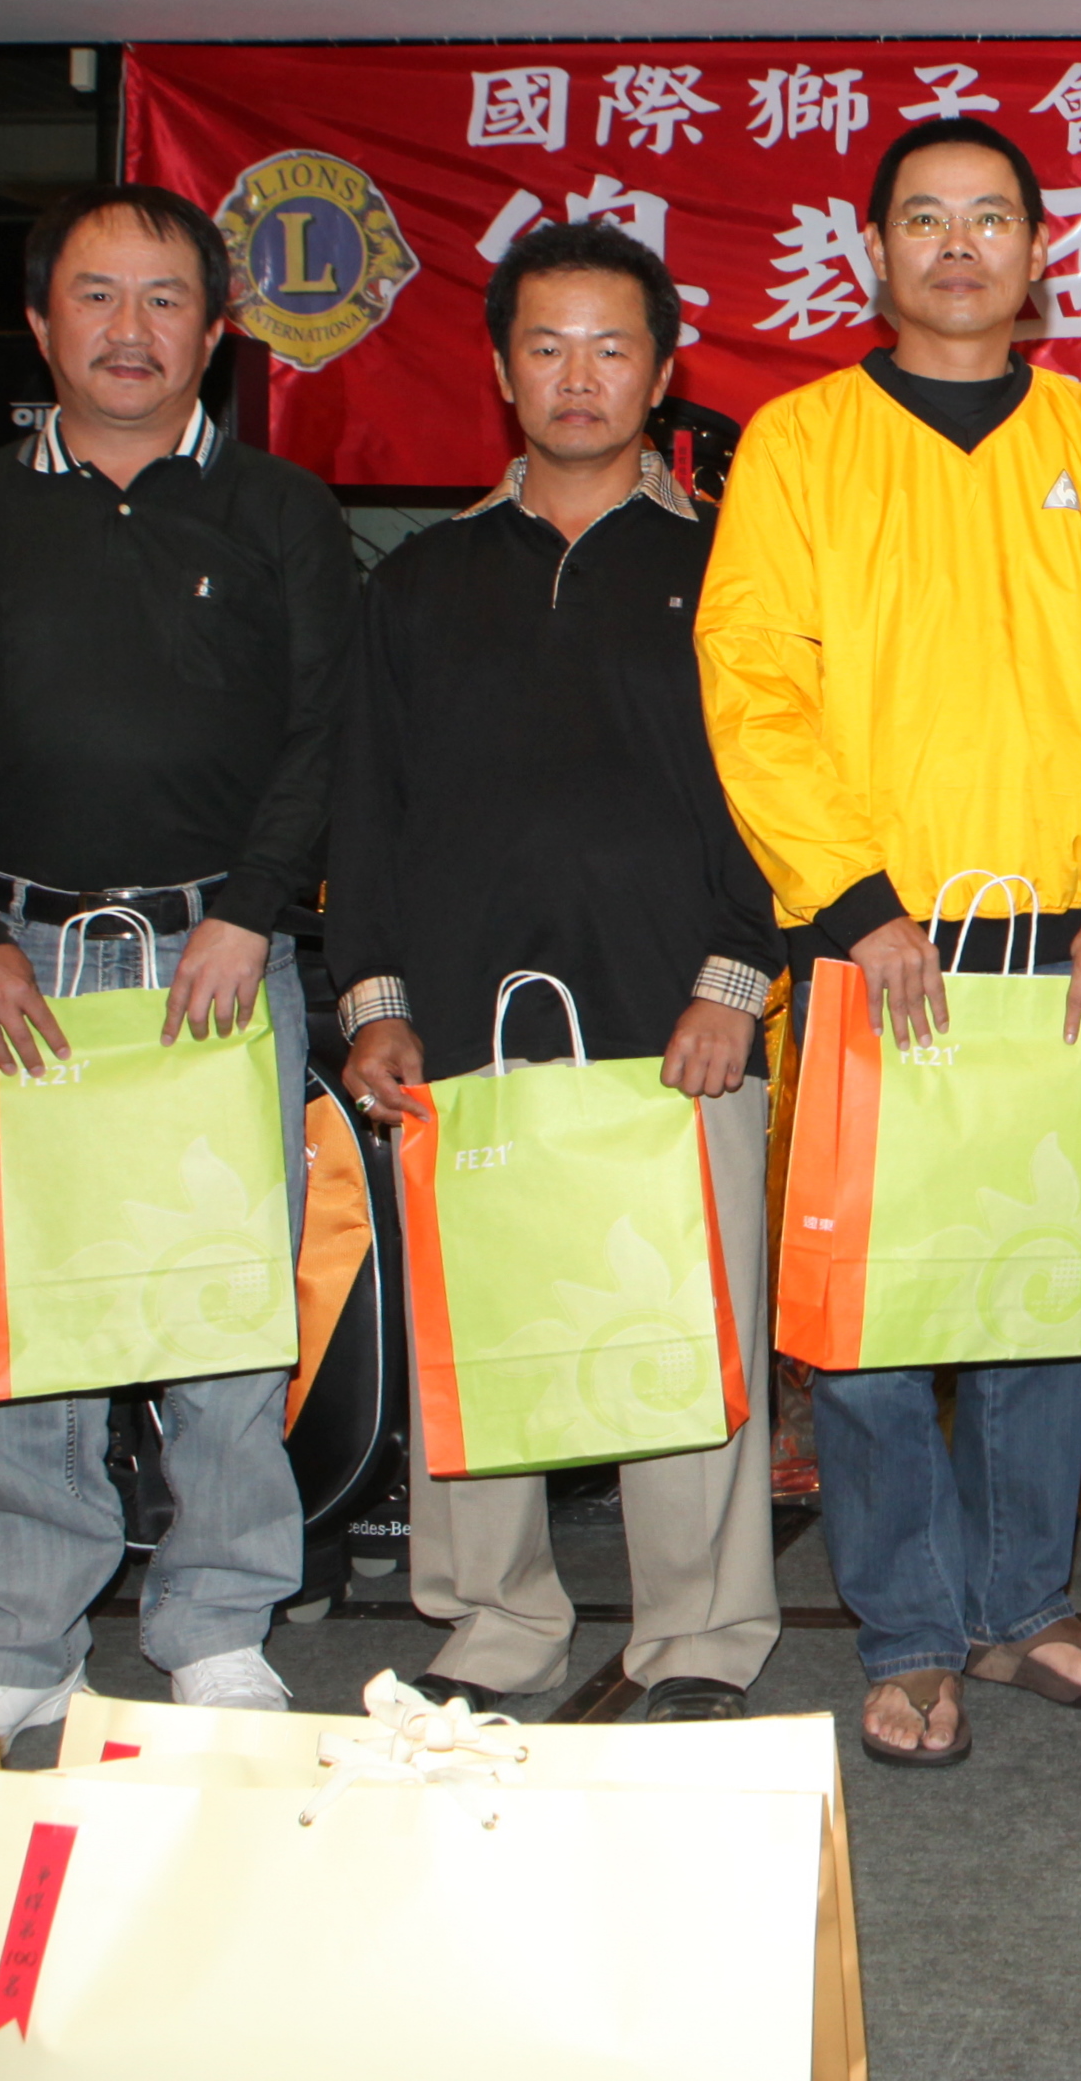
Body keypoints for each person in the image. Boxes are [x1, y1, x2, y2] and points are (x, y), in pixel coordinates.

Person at [698, 114, 1081, 1762]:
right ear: (875, 251)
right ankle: (908, 1634)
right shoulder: (800, 444)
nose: (961, 245)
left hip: (1062, 942)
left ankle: (1022, 1606)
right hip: (872, 949)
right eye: (926, 218)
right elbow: (754, 692)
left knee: (1034, 1302)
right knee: (871, 1320)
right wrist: (857, 908)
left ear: (1041, 253)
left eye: (992, 218)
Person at [0, 183, 356, 1742]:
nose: (128, 329)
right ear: (40, 323)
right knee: (34, 1312)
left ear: (215, 333)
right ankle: (24, 1635)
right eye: (95, 295)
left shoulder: (280, 512)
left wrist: (252, 910)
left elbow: (325, 730)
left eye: (163, 299)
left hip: (221, 952)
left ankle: (217, 1622)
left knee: (225, 1306)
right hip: (19, 961)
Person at [328, 219, 784, 1724]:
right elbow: (367, 806)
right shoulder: (419, 580)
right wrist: (376, 1001)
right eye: (546, 345)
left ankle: (701, 1631)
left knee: (684, 1328)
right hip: (467, 1021)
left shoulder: (730, 570)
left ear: (663, 371)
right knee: (484, 1330)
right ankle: (495, 1619)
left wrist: (738, 978)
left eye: (610, 347)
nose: (577, 377)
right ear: (500, 368)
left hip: (679, 1016)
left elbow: (787, 797)